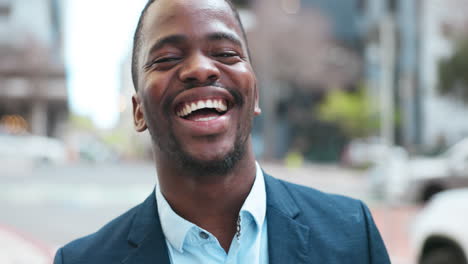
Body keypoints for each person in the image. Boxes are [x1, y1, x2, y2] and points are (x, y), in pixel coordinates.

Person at [54, 0, 391, 263]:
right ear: (138, 111)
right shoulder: (82, 260)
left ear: (255, 95)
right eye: (168, 58)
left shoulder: (351, 232)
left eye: (225, 53)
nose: (200, 69)